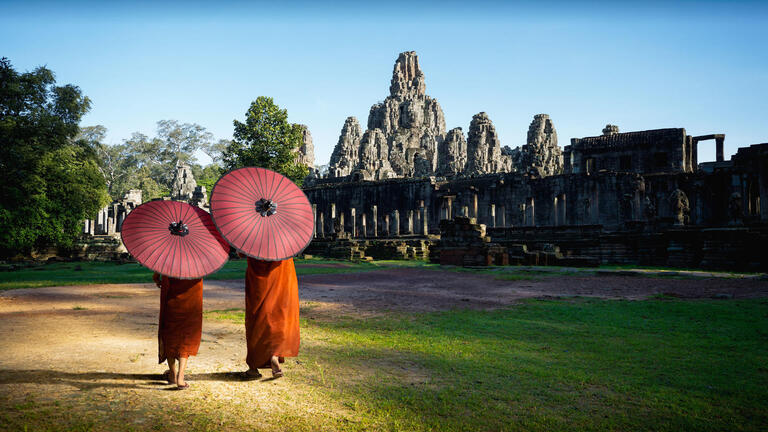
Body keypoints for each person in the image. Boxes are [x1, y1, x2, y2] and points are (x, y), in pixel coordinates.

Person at [242, 256, 300, 379]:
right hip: (282, 274)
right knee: (279, 315)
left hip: (258, 277)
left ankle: (253, 367)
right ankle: (275, 355)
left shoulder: (252, 237)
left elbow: (240, 252)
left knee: (258, 317)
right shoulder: (284, 239)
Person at [153, 272, 203, 389]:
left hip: (172, 298)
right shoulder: (197, 260)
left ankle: (173, 374)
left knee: (171, 332)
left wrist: (156, 277)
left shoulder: (169, 255)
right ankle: (180, 377)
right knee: (186, 334)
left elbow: (158, 272)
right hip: (192, 299)